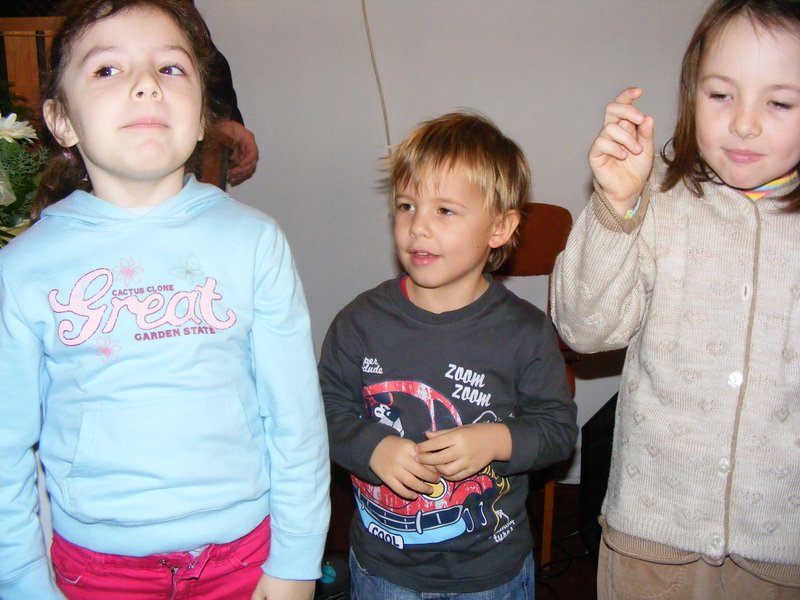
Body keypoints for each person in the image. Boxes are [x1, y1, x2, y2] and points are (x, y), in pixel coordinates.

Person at [0, 1, 329, 598]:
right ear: (61, 120)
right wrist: (24, 583)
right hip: (97, 569)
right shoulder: (22, 268)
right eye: (107, 69)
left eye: (171, 68)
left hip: (245, 556)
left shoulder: (255, 242)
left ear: (203, 116)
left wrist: (297, 561)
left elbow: (296, 419)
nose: (147, 84)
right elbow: (5, 449)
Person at [551, 1, 800, 598]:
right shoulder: (657, 197)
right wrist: (616, 208)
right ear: (691, 94)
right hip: (651, 536)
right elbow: (583, 328)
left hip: (780, 545)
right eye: (721, 95)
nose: (744, 123)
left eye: (779, 103)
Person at [320, 111, 578, 599]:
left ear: (499, 228)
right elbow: (323, 411)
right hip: (383, 568)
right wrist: (371, 447)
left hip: (490, 573)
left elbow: (558, 431)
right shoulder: (359, 322)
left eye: (444, 210)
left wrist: (497, 440)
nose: (417, 227)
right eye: (406, 206)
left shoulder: (524, 332)